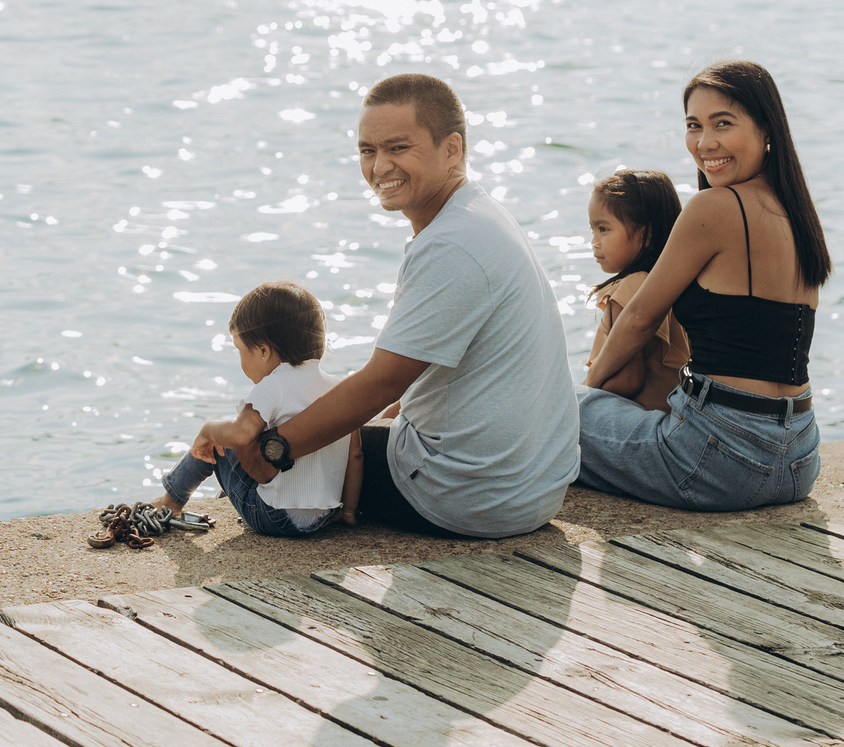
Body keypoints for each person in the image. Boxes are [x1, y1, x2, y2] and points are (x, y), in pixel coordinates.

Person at [223, 72, 578, 539]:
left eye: (398, 148)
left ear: (452, 148)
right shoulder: (478, 215)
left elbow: (382, 380)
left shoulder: (452, 244)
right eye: (368, 151)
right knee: (340, 430)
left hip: (471, 498)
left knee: (235, 447)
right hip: (534, 489)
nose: (379, 167)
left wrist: (274, 450)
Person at [578, 60, 827, 510]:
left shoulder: (714, 207)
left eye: (723, 123)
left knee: (552, 412)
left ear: (767, 128)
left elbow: (638, 318)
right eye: (694, 126)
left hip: (718, 460)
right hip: (800, 460)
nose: (705, 142)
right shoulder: (799, 213)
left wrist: (584, 394)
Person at [140, 282, 354, 538]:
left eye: (239, 349)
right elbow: (357, 455)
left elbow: (240, 435)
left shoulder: (274, 385)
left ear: (263, 351)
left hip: (273, 516)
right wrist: (347, 511)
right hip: (323, 517)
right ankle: (342, 512)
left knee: (222, 440)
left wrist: (207, 430)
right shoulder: (338, 389)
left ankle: (171, 501)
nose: (239, 358)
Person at [585, 169, 690, 410]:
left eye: (604, 229)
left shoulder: (632, 286)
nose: (594, 242)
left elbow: (628, 380)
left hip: (643, 419)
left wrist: (585, 392)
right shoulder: (671, 287)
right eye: (592, 230)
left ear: (647, 234)